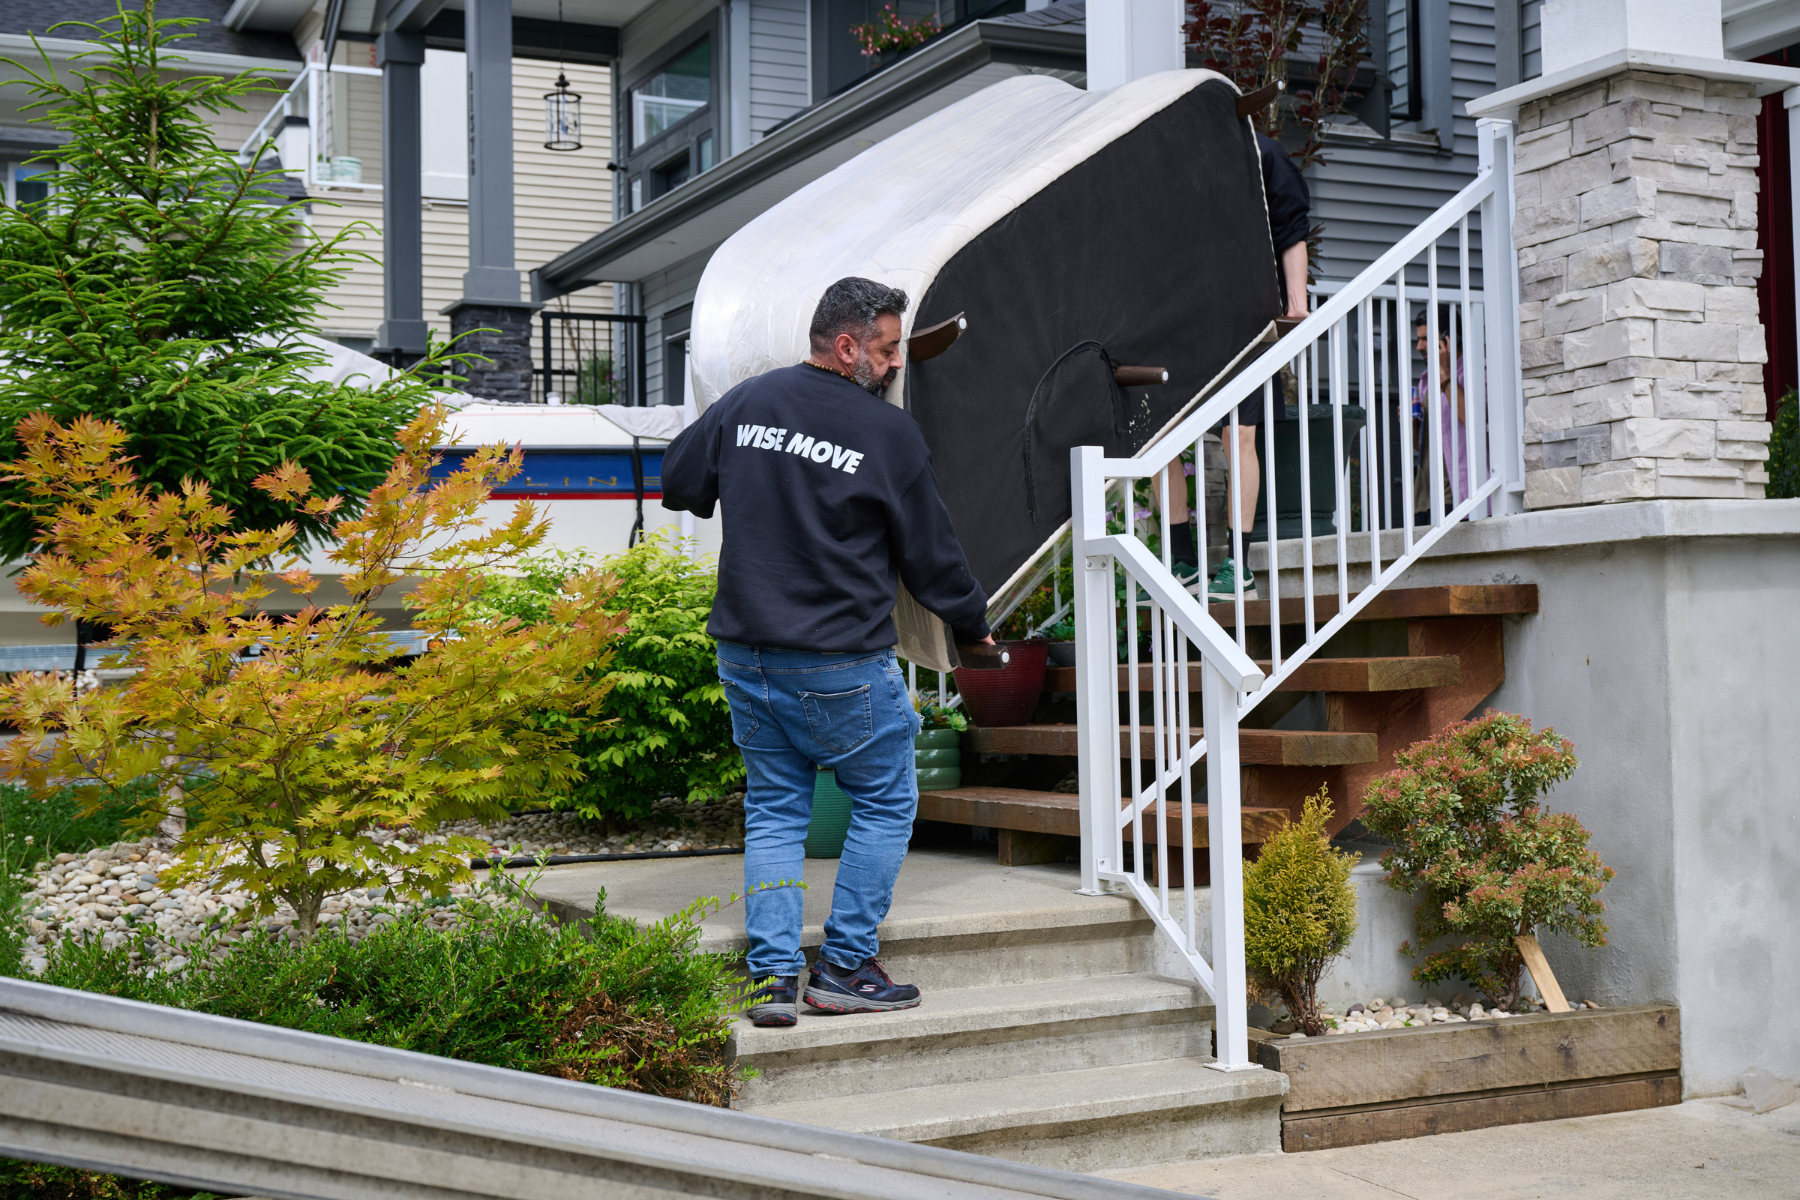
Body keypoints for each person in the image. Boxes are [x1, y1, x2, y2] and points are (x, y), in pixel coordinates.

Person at [661, 276, 993, 1028]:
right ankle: (843, 965)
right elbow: (933, 559)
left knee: (776, 809)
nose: (896, 363)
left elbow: (680, 480)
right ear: (846, 347)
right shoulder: (887, 434)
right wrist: (975, 622)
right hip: (836, 660)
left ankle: (773, 978)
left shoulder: (749, 403)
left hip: (745, 653)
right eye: (886, 349)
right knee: (885, 798)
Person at [1165, 130, 1311, 600]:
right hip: (1184, 321)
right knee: (1162, 435)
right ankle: (1181, 560)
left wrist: (1297, 303)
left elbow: (1291, 227)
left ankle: (1238, 565)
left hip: (1246, 319)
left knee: (1239, 433)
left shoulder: (1263, 153)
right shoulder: (1172, 158)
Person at [1412, 306, 1471, 514]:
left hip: (1454, 495)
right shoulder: (1426, 380)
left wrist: (1447, 379)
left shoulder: (1473, 373)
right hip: (1425, 498)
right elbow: (1422, 446)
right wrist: (1413, 424)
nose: (1419, 346)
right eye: (1419, 338)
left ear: (1449, 337)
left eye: (1426, 338)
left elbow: (1472, 422)